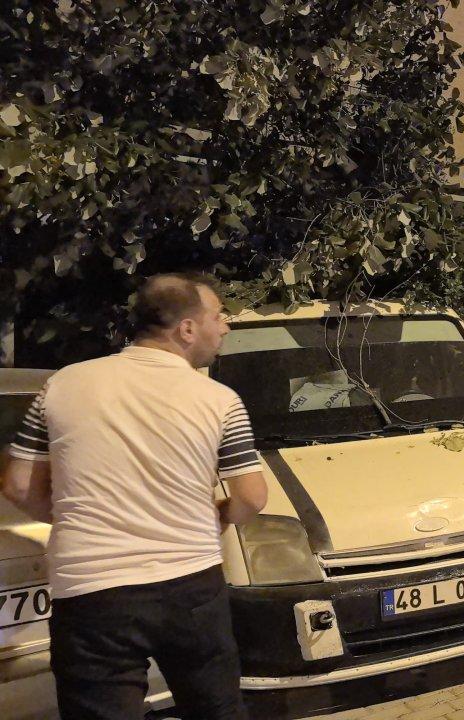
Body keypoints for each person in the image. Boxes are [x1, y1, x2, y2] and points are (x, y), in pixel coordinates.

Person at [1, 273, 268, 720]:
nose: (224, 327)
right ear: (186, 329)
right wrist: (219, 516)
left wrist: (78, 518)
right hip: (191, 586)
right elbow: (251, 497)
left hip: (91, 593)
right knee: (216, 711)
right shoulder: (218, 399)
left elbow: (17, 485)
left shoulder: (63, 385)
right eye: (218, 316)